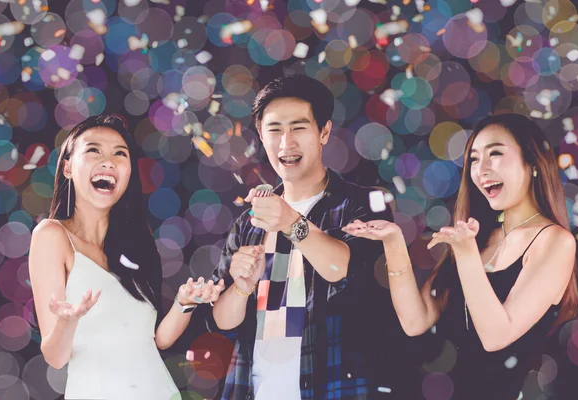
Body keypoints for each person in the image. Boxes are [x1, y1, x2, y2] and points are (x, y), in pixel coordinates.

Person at [205, 74, 416, 400]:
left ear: (324, 132)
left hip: (334, 387)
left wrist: (291, 221)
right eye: (274, 129)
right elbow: (221, 321)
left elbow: (343, 271)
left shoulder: (362, 204)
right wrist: (240, 289)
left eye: (299, 128)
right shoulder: (248, 223)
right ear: (261, 135)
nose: (286, 143)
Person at [343, 114, 578, 399]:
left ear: (532, 164)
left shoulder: (555, 241)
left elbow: (496, 337)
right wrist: (393, 242)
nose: (482, 169)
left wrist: (466, 254)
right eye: (474, 160)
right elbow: (415, 321)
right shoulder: (478, 237)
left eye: (495, 153)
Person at [29, 114, 224, 400]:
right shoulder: (52, 235)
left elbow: (154, 340)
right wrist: (69, 321)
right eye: (94, 150)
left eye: (120, 154)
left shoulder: (136, 242)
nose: (108, 161)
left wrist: (185, 303)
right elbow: (55, 357)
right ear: (68, 167)